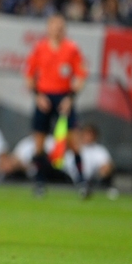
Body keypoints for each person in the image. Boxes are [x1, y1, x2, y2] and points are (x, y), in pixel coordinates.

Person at [24, 14, 88, 197]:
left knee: (73, 141)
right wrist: (38, 96)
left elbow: (81, 76)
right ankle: (39, 182)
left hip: (64, 98)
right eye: (54, 26)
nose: (57, 30)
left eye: (61, 27)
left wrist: (70, 98)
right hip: (44, 97)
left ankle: (81, 181)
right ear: (48, 28)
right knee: (39, 142)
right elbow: (29, 75)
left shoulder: (72, 49)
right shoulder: (39, 48)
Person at [64, 124, 116, 197]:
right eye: (86, 134)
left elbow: (106, 166)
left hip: (91, 181)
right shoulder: (75, 147)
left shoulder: (99, 150)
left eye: (91, 134)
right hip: (69, 179)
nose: (88, 137)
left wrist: (103, 171)